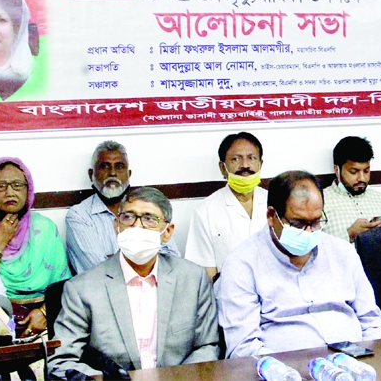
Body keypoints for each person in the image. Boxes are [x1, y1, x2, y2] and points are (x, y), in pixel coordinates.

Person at [49, 187, 219, 378]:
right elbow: (61, 361)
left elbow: (208, 347)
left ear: (167, 232)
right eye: (128, 217)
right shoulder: (82, 289)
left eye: (149, 219)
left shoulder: (193, 279)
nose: (137, 227)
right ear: (116, 226)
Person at [216, 171, 381, 358]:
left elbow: (371, 322)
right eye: (298, 223)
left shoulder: (342, 252)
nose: (308, 232)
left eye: (315, 222)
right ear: (272, 216)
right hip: (284, 372)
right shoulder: (241, 264)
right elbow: (243, 347)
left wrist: (369, 360)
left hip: (355, 365)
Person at [0, 157, 69, 338]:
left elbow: (63, 286)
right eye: (1, 186)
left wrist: (44, 313)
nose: (10, 192)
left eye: (17, 185)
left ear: (28, 189)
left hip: (43, 326)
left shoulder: (44, 229)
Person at [65, 141, 179, 275]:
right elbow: (98, 271)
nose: (112, 173)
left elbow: (172, 258)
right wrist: (146, 258)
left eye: (119, 167)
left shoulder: (150, 209)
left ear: (128, 174)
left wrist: (112, 258)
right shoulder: (79, 216)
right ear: (91, 174)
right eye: (104, 166)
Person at [185, 132, 268, 279]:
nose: (245, 165)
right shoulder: (205, 211)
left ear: (260, 164)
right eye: (236, 159)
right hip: (228, 297)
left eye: (252, 158)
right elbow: (204, 271)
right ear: (222, 168)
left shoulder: (276, 202)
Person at [322, 136, 381, 243]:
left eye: (366, 171)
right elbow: (315, 251)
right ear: (337, 170)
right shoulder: (321, 203)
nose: (362, 178)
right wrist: (348, 234)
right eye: (353, 172)